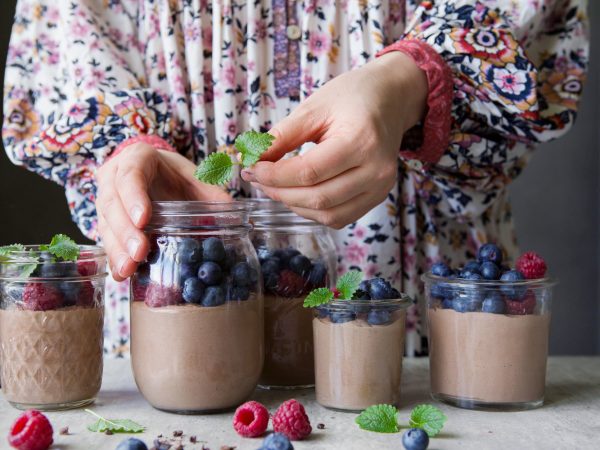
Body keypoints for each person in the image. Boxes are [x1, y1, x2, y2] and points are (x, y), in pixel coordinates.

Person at [3, 0, 589, 357]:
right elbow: (69, 34)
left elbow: (529, 20)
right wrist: (123, 151)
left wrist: (411, 81)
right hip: (172, 306)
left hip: (411, 331)